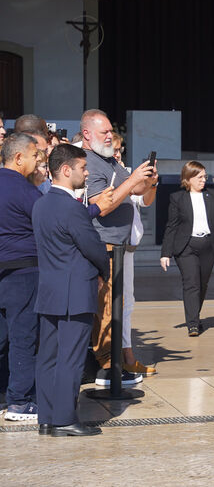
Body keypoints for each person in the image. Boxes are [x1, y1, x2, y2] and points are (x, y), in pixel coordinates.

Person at [32, 145, 111, 436]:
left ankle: (47, 418)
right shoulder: (72, 208)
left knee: (48, 357)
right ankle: (64, 420)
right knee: (70, 358)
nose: (86, 172)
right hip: (75, 293)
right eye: (82, 167)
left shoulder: (40, 204)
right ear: (66, 170)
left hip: (50, 291)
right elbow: (94, 248)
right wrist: (103, 271)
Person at [81, 109, 156, 388]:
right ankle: (107, 366)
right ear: (87, 134)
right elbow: (103, 204)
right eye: (104, 132)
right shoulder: (88, 163)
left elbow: (136, 191)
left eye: (111, 131)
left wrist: (147, 179)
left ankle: (116, 362)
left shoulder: (110, 160)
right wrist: (133, 179)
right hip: (104, 245)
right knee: (106, 309)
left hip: (122, 247)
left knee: (120, 305)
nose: (110, 136)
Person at [160, 161, 214, 336]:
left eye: (205, 176)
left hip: (208, 247)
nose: (204, 180)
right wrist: (166, 253)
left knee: (202, 284)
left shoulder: (213, 195)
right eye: (200, 177)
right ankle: (193, 324)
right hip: (186, 247)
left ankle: (194, 315)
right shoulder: (177, 198)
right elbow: (171, 226)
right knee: (191, 283)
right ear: (188, 179)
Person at [0, 133, 41, 422]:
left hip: (3, 270)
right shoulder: (24, 190)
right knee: (23, 336)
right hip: (24, 272)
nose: (38, 161)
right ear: (18, 158)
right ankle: (19, 402)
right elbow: (50, 221)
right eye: (34, 156)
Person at [110, 133, 157, 376]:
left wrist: (151, 183)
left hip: (128, 249)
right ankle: (118, 356)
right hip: (110, 248)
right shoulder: (104, 173)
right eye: (113, 148)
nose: (117, 153)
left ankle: (126, 354)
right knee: (114, 304)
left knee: (128, 303)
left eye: (120, 149)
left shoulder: (128, 173)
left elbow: (145, 201)